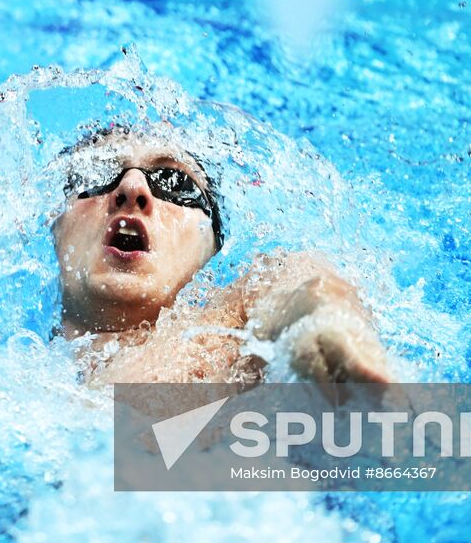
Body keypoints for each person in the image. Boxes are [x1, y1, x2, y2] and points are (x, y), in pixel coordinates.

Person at [51, 124, 392, 387]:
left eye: (174, 181)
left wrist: (324, 326)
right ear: (55, 225)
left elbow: (294, 282)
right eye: (96, 172)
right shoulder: (6, 367)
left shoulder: (221, 342)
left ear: (210, 249)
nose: (132, 189)